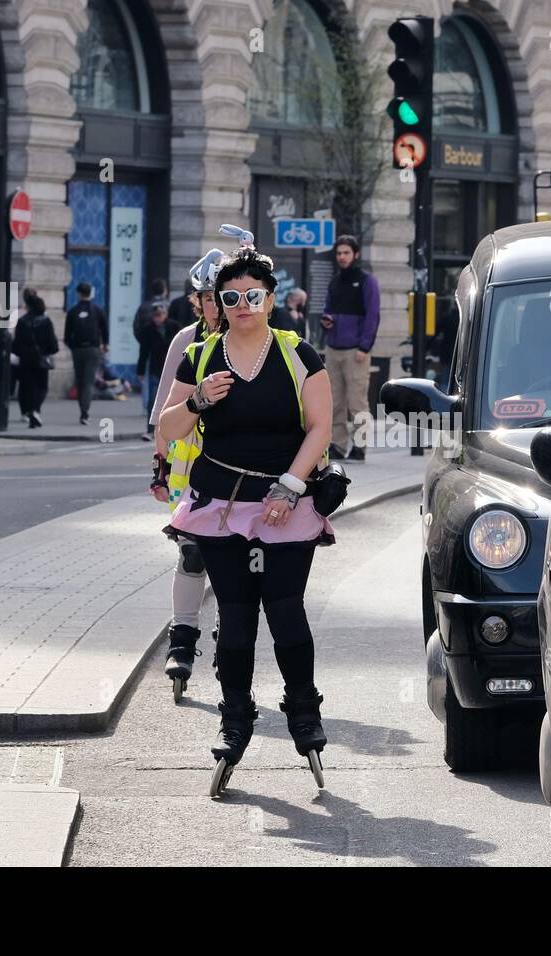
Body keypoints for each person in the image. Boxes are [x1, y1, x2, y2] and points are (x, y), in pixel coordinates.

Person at [158, 241, 335, 790]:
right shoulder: (201, 357)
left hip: (286, 502)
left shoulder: (297, 353)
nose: (241, 304)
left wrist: (289, 486)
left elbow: (321, 428)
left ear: (270, 299)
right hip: (220, 505)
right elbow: (166, 429)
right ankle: (235, 722)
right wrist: (198, 402)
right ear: (218, 301)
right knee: (235, 617)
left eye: (252, 296)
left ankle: (304, 714)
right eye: (230, 296)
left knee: (284, 611)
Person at [148, 242, 229, 692]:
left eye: (223, 295)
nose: (216, 306)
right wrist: (159, 466)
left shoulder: (258, 336)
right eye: (208, 298)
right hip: (193, 469)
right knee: (193, 552)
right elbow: (164, 412)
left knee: (235, 559)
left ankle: (229, 634)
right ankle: (182, 639)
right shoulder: (186, 341)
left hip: (244, 468)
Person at [319, 234, 379, 461]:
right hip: (333, 349)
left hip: (356, 351)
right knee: (334, 402)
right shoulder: (334, 281)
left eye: (346, 253)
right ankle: (337, 444)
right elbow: (327, 308)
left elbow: (373, 316)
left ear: (356, 254)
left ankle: (360, 446)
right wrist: (327, 320)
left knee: (357, 402)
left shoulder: (366, 281)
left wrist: (365, 347)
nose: (342, 257)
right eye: (339, 253)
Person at [11, 290, 58, 429]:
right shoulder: (45, 321)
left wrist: (20, 353)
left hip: (25, 359)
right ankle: (35, 410)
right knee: (42, 386)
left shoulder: (22, 322)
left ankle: (29, 411)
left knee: (27, 387)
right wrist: (50, 351)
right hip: (41, 358)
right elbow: (52, 342)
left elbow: (16, 343)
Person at [64, 281, 108, 425]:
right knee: (88, 382)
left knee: (80, 380)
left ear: (78, 294)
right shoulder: (98, 310)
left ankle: (82, 410)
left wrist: (73, 347)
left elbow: (66, 336)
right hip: (93, 350)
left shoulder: (72, 312)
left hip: (77, 350)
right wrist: (105, 345)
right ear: (91, 293)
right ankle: (85, 412)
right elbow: (105, 329)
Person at [137, 303, 175, 438]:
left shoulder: (174, 327)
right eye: (155, 316)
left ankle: (169, 430)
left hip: (172, 370)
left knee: (172, 401)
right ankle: (150, 430)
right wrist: (140, 371)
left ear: (165, 314)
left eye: (160, 315)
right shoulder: (148, 330)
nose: (157, 319)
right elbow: (144, 352)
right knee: (153, 401)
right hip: (156, 369)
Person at [132, 277, 170, 342]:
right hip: (167, 346)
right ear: (164, 290)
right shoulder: (169, 305)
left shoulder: (143, 307)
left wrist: (143, 341)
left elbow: (136, 327)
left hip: (148, 344)